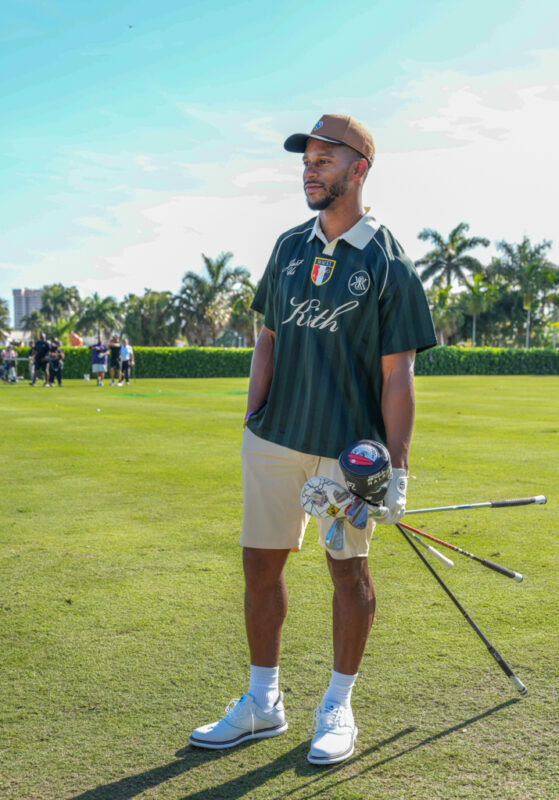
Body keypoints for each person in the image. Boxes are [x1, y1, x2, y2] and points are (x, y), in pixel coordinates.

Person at [189, 114, 437, 765]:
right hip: (275, 440)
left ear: (359, 169)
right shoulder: (288, 246)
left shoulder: (387, 259)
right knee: (259, 568)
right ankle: (261, 702)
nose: (309, 170)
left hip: (346, 452)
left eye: (324, 160)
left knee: (347, 574)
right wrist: (252, 421)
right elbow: (267, 339)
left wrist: (395, 470)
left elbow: (398, 374)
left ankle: (337, 705)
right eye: (306, 160)